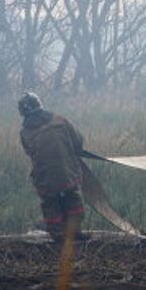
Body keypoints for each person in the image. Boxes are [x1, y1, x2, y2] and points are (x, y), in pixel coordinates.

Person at [18, 92, 85, 243]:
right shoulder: (60, 120)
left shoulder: (25, 133)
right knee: (72, 198)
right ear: (39, 105)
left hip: (45, 177)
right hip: (68, 173)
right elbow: (78, 142)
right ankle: (75, 231)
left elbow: (30, 152)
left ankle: (58, 235)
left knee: (50, 203)